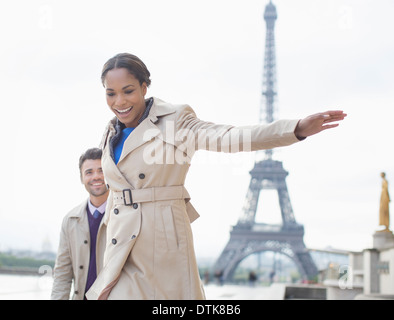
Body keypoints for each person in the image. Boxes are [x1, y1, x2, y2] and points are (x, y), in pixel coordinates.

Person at [86, 53, 347, 300]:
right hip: (120, 243)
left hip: (159, 242)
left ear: (144, 87)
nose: (119, 102)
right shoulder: (110, 132)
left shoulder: (175, 121)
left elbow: (229, 136)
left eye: (128, 91)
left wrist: (295, 129)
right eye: (111, 94)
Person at [51, 148, 109, 300]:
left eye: (101, 170)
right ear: (82, 178)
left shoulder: (126, 215)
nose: (96, 176)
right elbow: (62, 274)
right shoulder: (70, 220)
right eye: (89, 172)